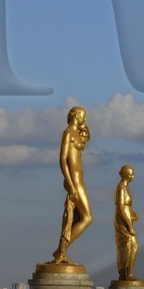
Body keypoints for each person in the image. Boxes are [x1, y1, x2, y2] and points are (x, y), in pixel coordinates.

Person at [49, 106, 93, 264]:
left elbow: (84, 141)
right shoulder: (67, 133)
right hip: (74, 181)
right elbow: (62, 160)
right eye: (83, 115)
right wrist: (70, 184)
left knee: (77, 218)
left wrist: (85, 131)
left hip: (79, 180)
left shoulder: (75, 133)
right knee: (87, 218)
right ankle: (60, 250)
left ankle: (61, 251)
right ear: (75, 115)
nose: (85, 119)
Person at [113, 165, 139, 281]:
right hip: (122, 220)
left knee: (131, 246)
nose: (133, 176)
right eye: (131, 174)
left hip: (127, 218)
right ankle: (127, 274)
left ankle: (127, 273)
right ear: (125, 175)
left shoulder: (125, 187)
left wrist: (132, 214)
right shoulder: (122, 188)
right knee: (129, 246)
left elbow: (126, 207)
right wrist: (129, 225)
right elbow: (121, 208)